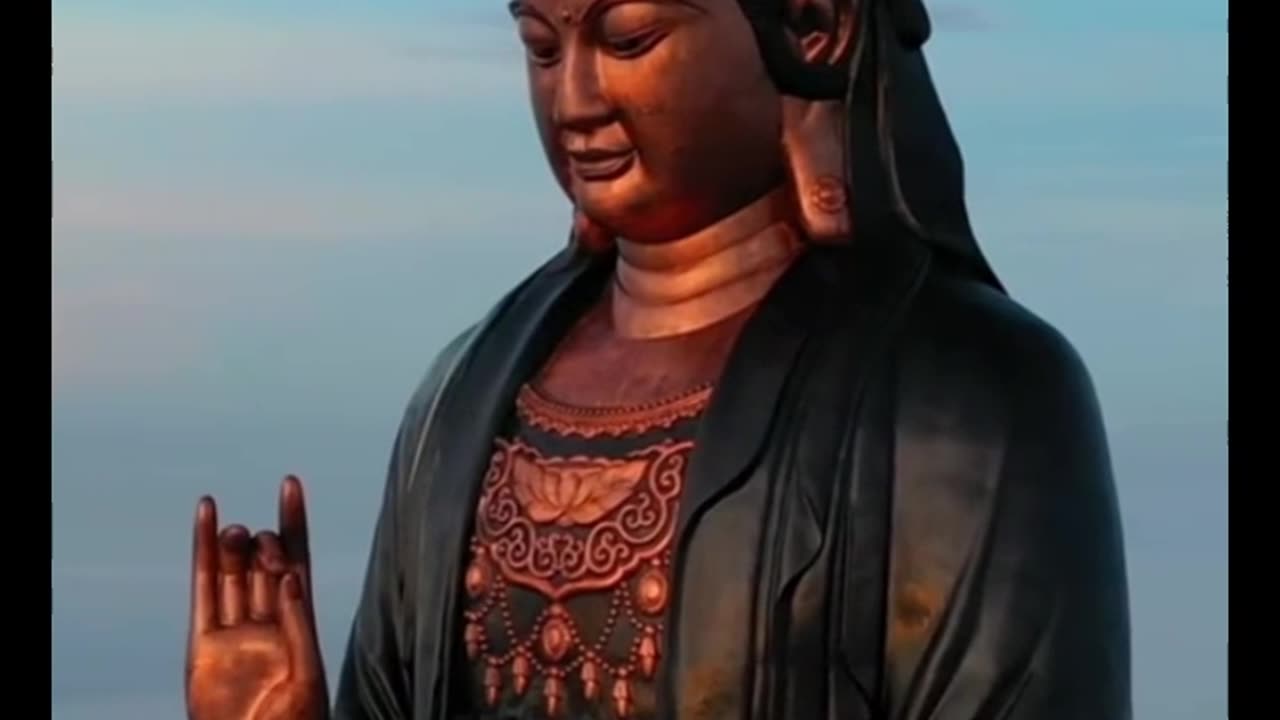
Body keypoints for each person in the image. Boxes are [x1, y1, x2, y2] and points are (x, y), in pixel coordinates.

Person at [184, 0, 1133, 718]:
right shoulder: (461, 399)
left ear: (813, 24)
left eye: (629, 39)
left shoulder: (970, 397)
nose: (576, 99)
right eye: (542, 47)